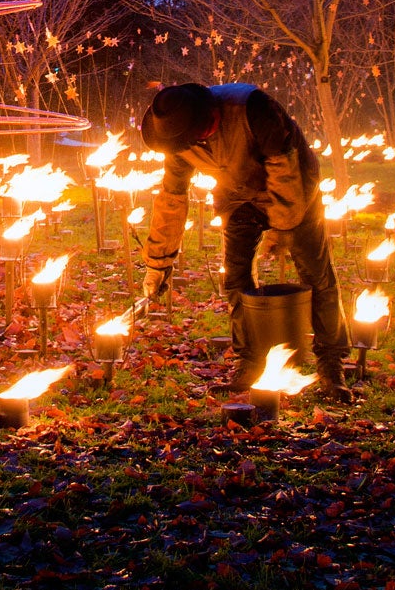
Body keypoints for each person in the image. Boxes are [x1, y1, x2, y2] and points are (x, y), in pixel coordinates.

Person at [138, 81, 351, 393]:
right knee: (236, 277)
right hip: (238, 194)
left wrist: (281, 228)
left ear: (208, 118)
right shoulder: (179, 137)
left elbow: (284, 172)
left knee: (315, 274)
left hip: (296, 189)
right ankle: (250, 360)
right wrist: (157, 263)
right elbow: (171, 199)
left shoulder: (253, 109)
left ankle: (331, 364)